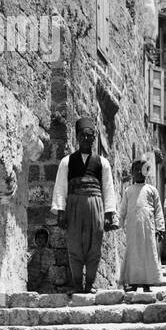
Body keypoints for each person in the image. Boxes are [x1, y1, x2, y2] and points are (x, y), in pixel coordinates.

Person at [51, 117, 118, 293]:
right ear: (77, 137)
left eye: (90, 135)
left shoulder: (102, 163)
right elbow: (60, 187)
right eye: (83, 135)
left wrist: (109, 213)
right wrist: (60, 211)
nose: (86, 139)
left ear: (94, 138)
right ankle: (77, 284)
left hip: (95, 206)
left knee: (94, 246)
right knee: (74, 245)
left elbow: (108, 188)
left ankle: (89, 284)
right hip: (73, 206)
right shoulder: (67, 161)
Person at [119, 160, 164, 291]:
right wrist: (118, 223)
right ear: (132, 172)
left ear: (146, 172)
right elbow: (123, 210)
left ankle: (146, 284)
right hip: (133, 228)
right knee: (133, 254)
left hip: (148, 228)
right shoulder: (128, 191)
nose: (139, 172)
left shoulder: (152, 190)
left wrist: (160, 227)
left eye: (142, 169)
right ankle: (133, 283)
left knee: (147, 254)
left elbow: (158, 210)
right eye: (136, 169)